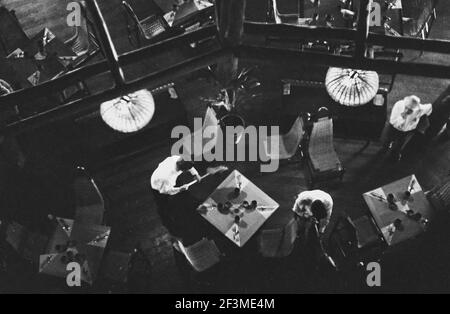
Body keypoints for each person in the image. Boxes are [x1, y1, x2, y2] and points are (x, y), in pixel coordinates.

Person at [150, 155, 202, 241]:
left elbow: (189, 166)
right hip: (158, 187)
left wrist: (195, 174)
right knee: (163, 205)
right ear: (182, 169)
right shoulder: (166, 177)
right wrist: (179, 189)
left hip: (169, 181)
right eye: (184, 170)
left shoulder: (177, 158)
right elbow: (165, 191)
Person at [381, 95, 433, 160]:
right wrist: (403, 116)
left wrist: (425, 116)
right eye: (406, 107)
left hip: (406, 131)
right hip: (394, 128)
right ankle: (384, 149)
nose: (407, 110)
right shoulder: (398, 105)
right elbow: (394, 122)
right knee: (387, 140)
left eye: (410, 109)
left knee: (400, 144)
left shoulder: (420, 109)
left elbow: (429, 107)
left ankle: (394, 156)